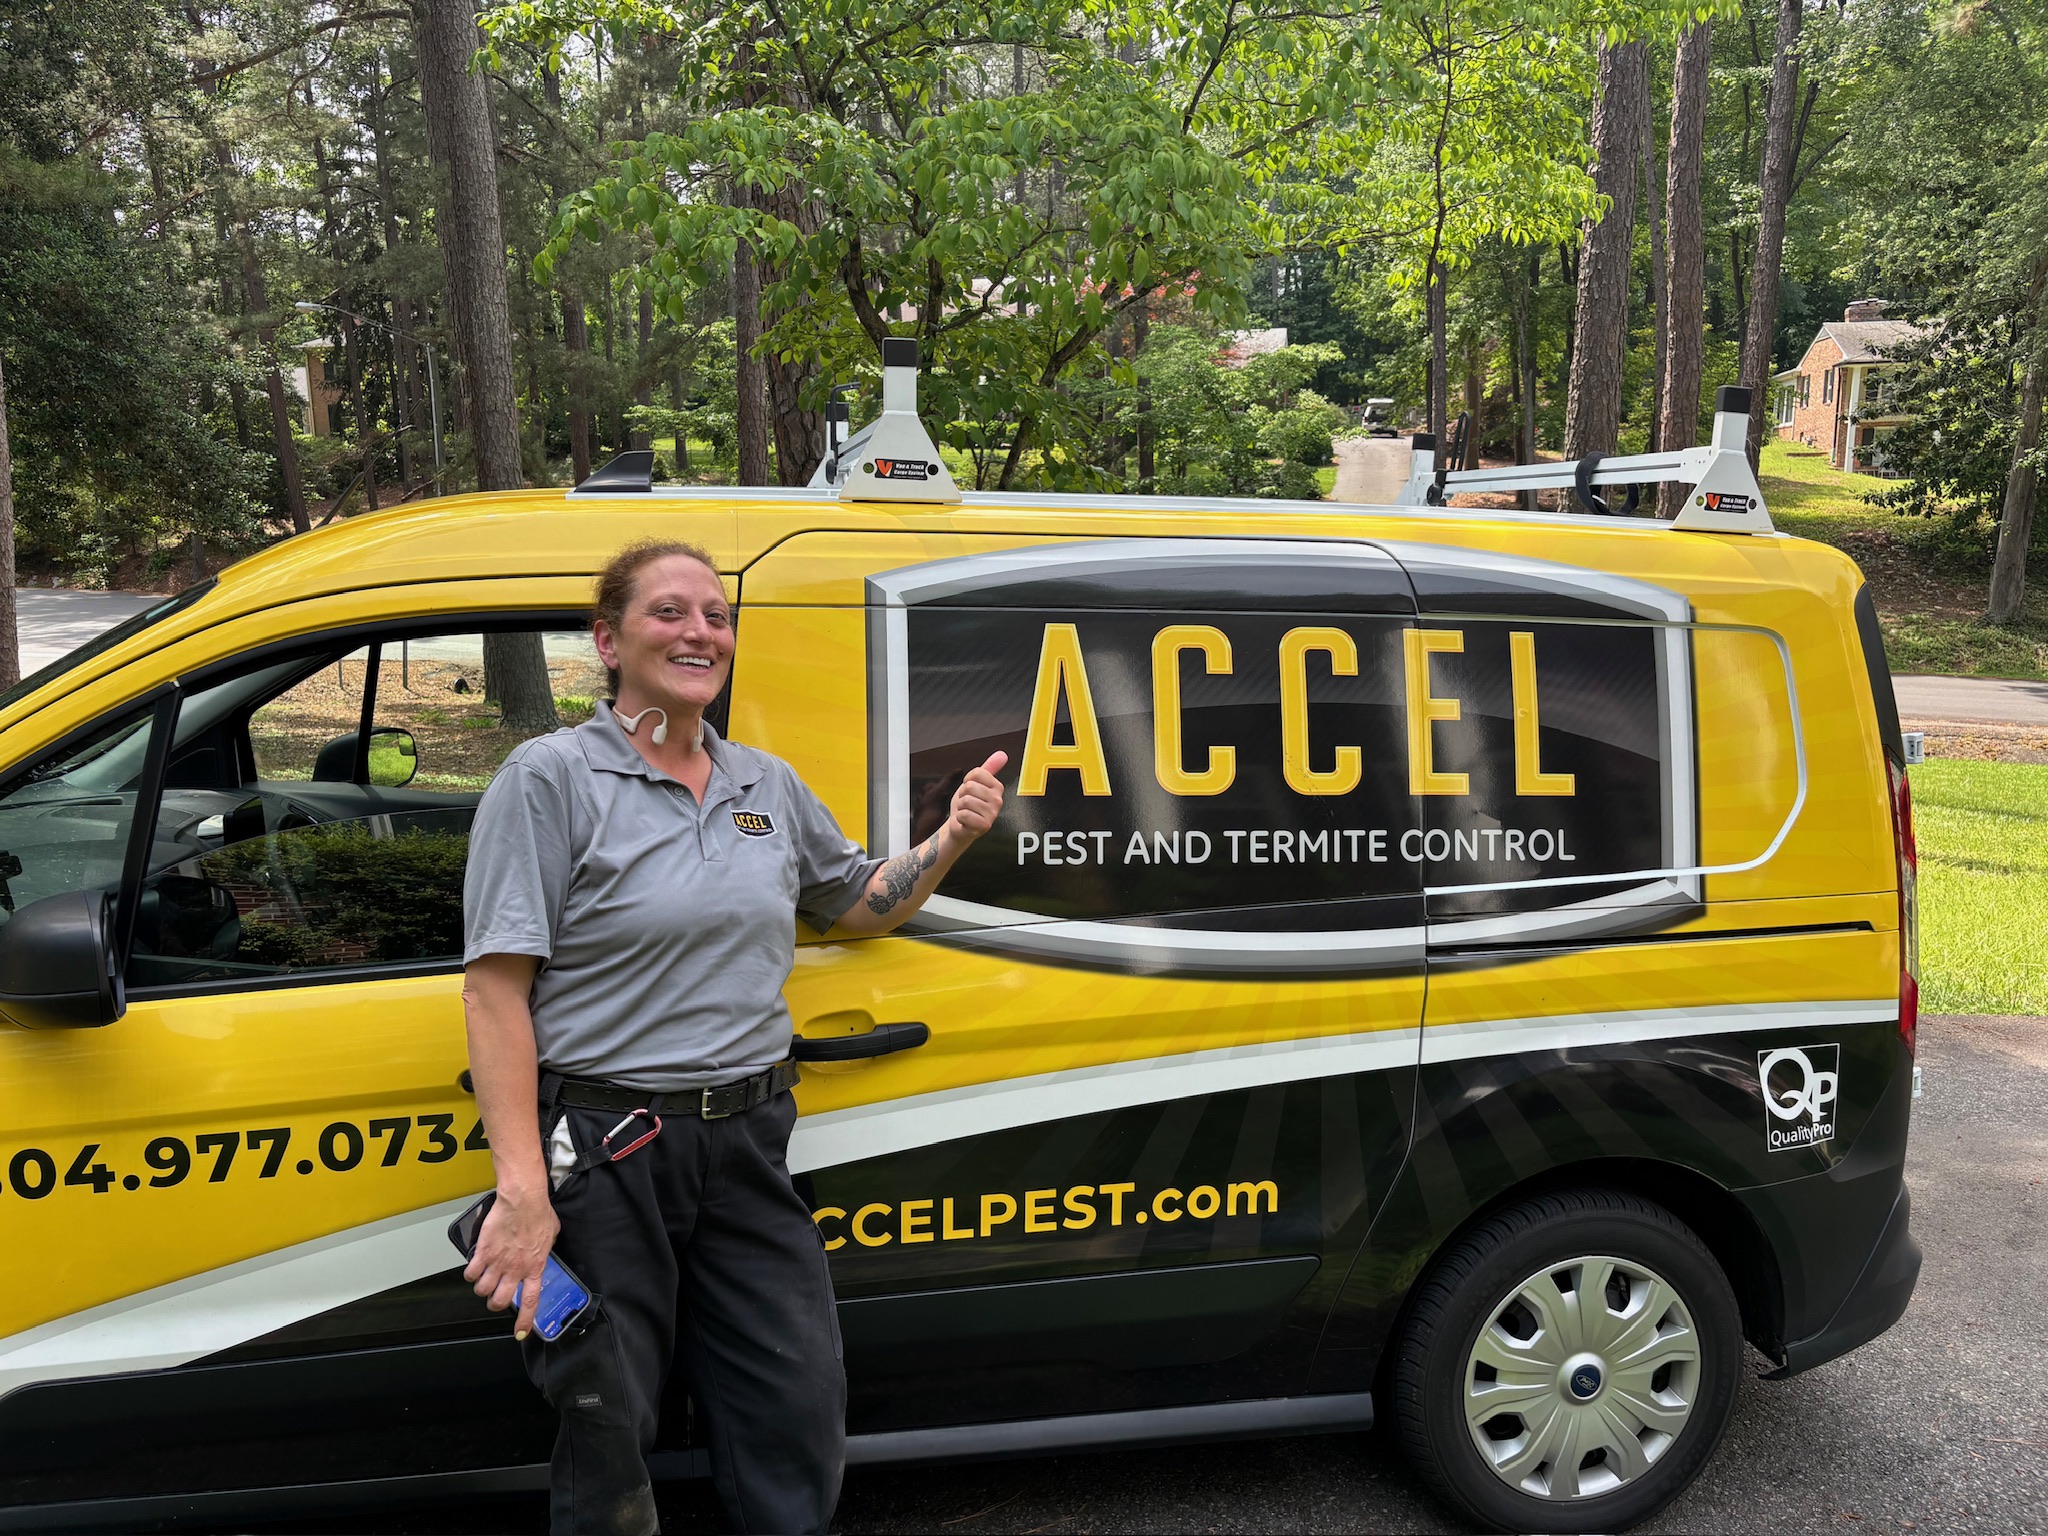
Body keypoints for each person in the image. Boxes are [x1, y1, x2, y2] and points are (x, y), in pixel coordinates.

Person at [460, 539, 1005, 1536]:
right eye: (668, 612)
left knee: (793, 1399)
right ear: (607, 639)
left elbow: (856, 902)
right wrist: (523, 1192)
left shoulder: (763, 783)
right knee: (604, 1414)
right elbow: (495, 991)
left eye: (714, 614)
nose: (698, 631)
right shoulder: (549, 780)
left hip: (750, 1141)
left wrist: (953, 835)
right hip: (611, 1149)